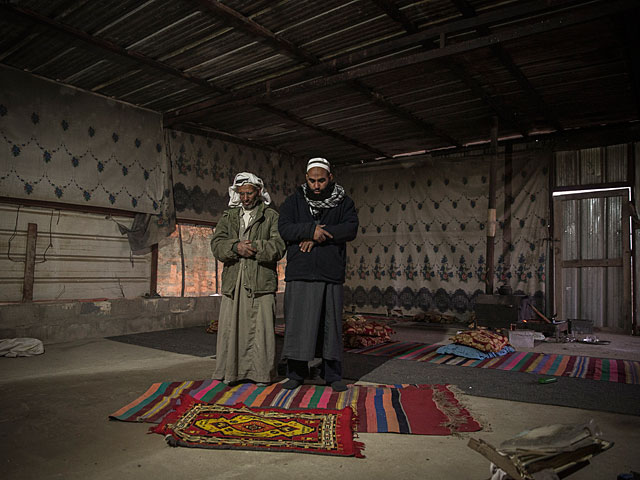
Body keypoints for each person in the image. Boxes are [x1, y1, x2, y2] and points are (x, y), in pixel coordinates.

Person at [278, 157, 358, 392]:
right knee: (298, 326)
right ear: (306, 179)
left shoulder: (344, 202)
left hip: (329, 273)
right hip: (300, 272)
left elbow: (350, 228)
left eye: (321, 181)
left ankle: (331, 375)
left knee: (329, 326)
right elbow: (284, 228)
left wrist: (319, 235)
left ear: (330, 178)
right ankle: (296, 374)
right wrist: (308, 230)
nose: (316, 186)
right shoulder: (294, 201)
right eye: (312, 181)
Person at [210, 172, 286, 385]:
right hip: (234, 281)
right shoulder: (229, 217)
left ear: (258, 192)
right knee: (230, 329)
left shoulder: (271, 217)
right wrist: (235, 247)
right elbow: (216, 244)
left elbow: (278, 246)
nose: (245, 198)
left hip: (260, 282)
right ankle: (230, 373)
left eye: (249, 193)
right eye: (241, 193)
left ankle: (260, 374)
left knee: (260, 330)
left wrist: (254, 247)